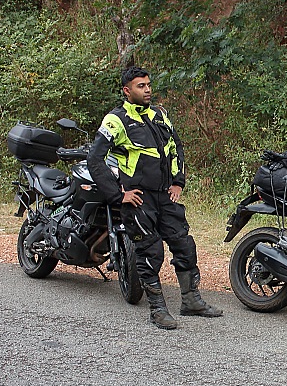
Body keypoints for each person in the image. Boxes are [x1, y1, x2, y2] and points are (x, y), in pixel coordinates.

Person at [87, 66, 222, 330]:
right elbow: (95, 159)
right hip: (139, 199)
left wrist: (178, 182)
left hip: (165, 196)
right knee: (150, 253)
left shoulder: (160, 115)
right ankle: (158, 310)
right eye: (141, 86)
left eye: (149, 84)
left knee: (185, 246)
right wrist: (118, 195)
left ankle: (191, 301)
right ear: (127, 91)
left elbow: (175, 147)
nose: (148, 89)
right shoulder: (115, 120)